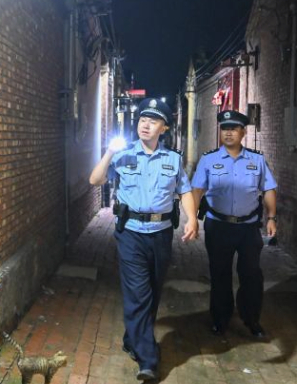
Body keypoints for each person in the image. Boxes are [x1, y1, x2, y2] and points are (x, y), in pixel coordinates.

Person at [89, 98, 198, 381]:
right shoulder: (123, 155)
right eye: (141, 121)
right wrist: (108, 153)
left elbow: (184, 191)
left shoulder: (172, 159)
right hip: (131, 233)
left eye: (152, 121)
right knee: (138, 293)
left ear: (164, 128)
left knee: (153, 290)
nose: (145, 125)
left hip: (161, 233)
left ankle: (132, 338)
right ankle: (148, 360)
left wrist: (192, 218)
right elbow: (95, 180)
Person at [191, 110, 277, 338]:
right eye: (224, 128)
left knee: (251, 273)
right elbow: (197, 190)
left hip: (248, 227)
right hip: (218, 225)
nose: (228, 133)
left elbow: (268, 188)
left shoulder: (256, 160)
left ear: (243, 132)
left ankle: (251, 319)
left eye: (233, 129)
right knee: (219, 274)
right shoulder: (209, 160)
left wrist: (271, 218)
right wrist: (192, 220)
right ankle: (220, 319)